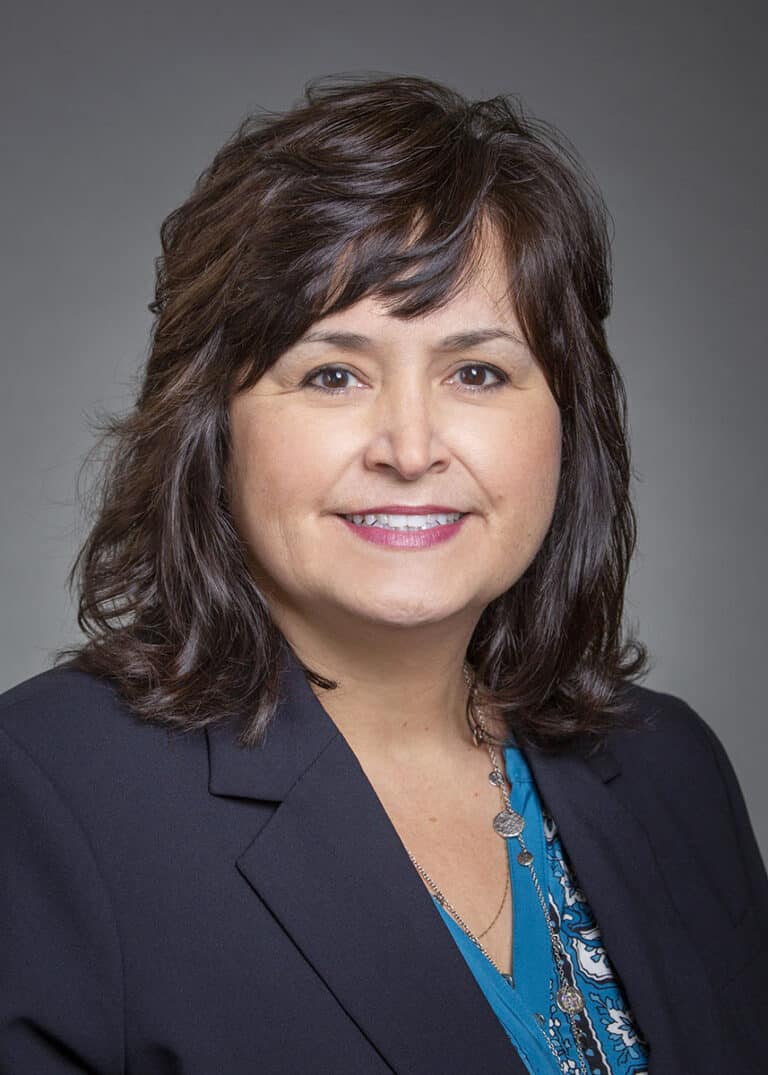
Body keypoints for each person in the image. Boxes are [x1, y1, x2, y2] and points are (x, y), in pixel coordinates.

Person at [0, 72, 765, 1075]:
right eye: (333, 373)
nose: (410, 447)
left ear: (568, 424)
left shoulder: (673, 768)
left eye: (477, 372)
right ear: (212, 427)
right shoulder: (42, 797)